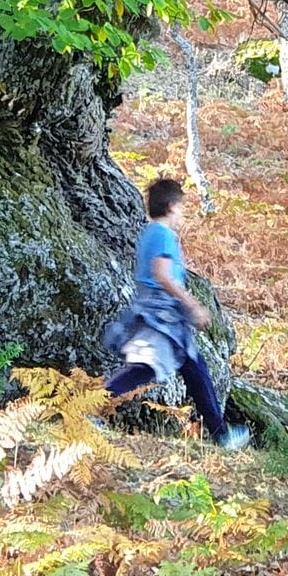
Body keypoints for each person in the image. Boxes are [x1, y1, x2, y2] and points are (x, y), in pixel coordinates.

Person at [103, 178, 250, 450]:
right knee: (144, 368)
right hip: (161, 316)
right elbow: (162, 275)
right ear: (171, 207)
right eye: (182, 207)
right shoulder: (162, 234)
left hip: (163, 315)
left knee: (196, 370)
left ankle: (221, 433)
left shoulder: (150, 232)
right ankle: (90, 407)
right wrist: (192, 304)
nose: (182, 214)